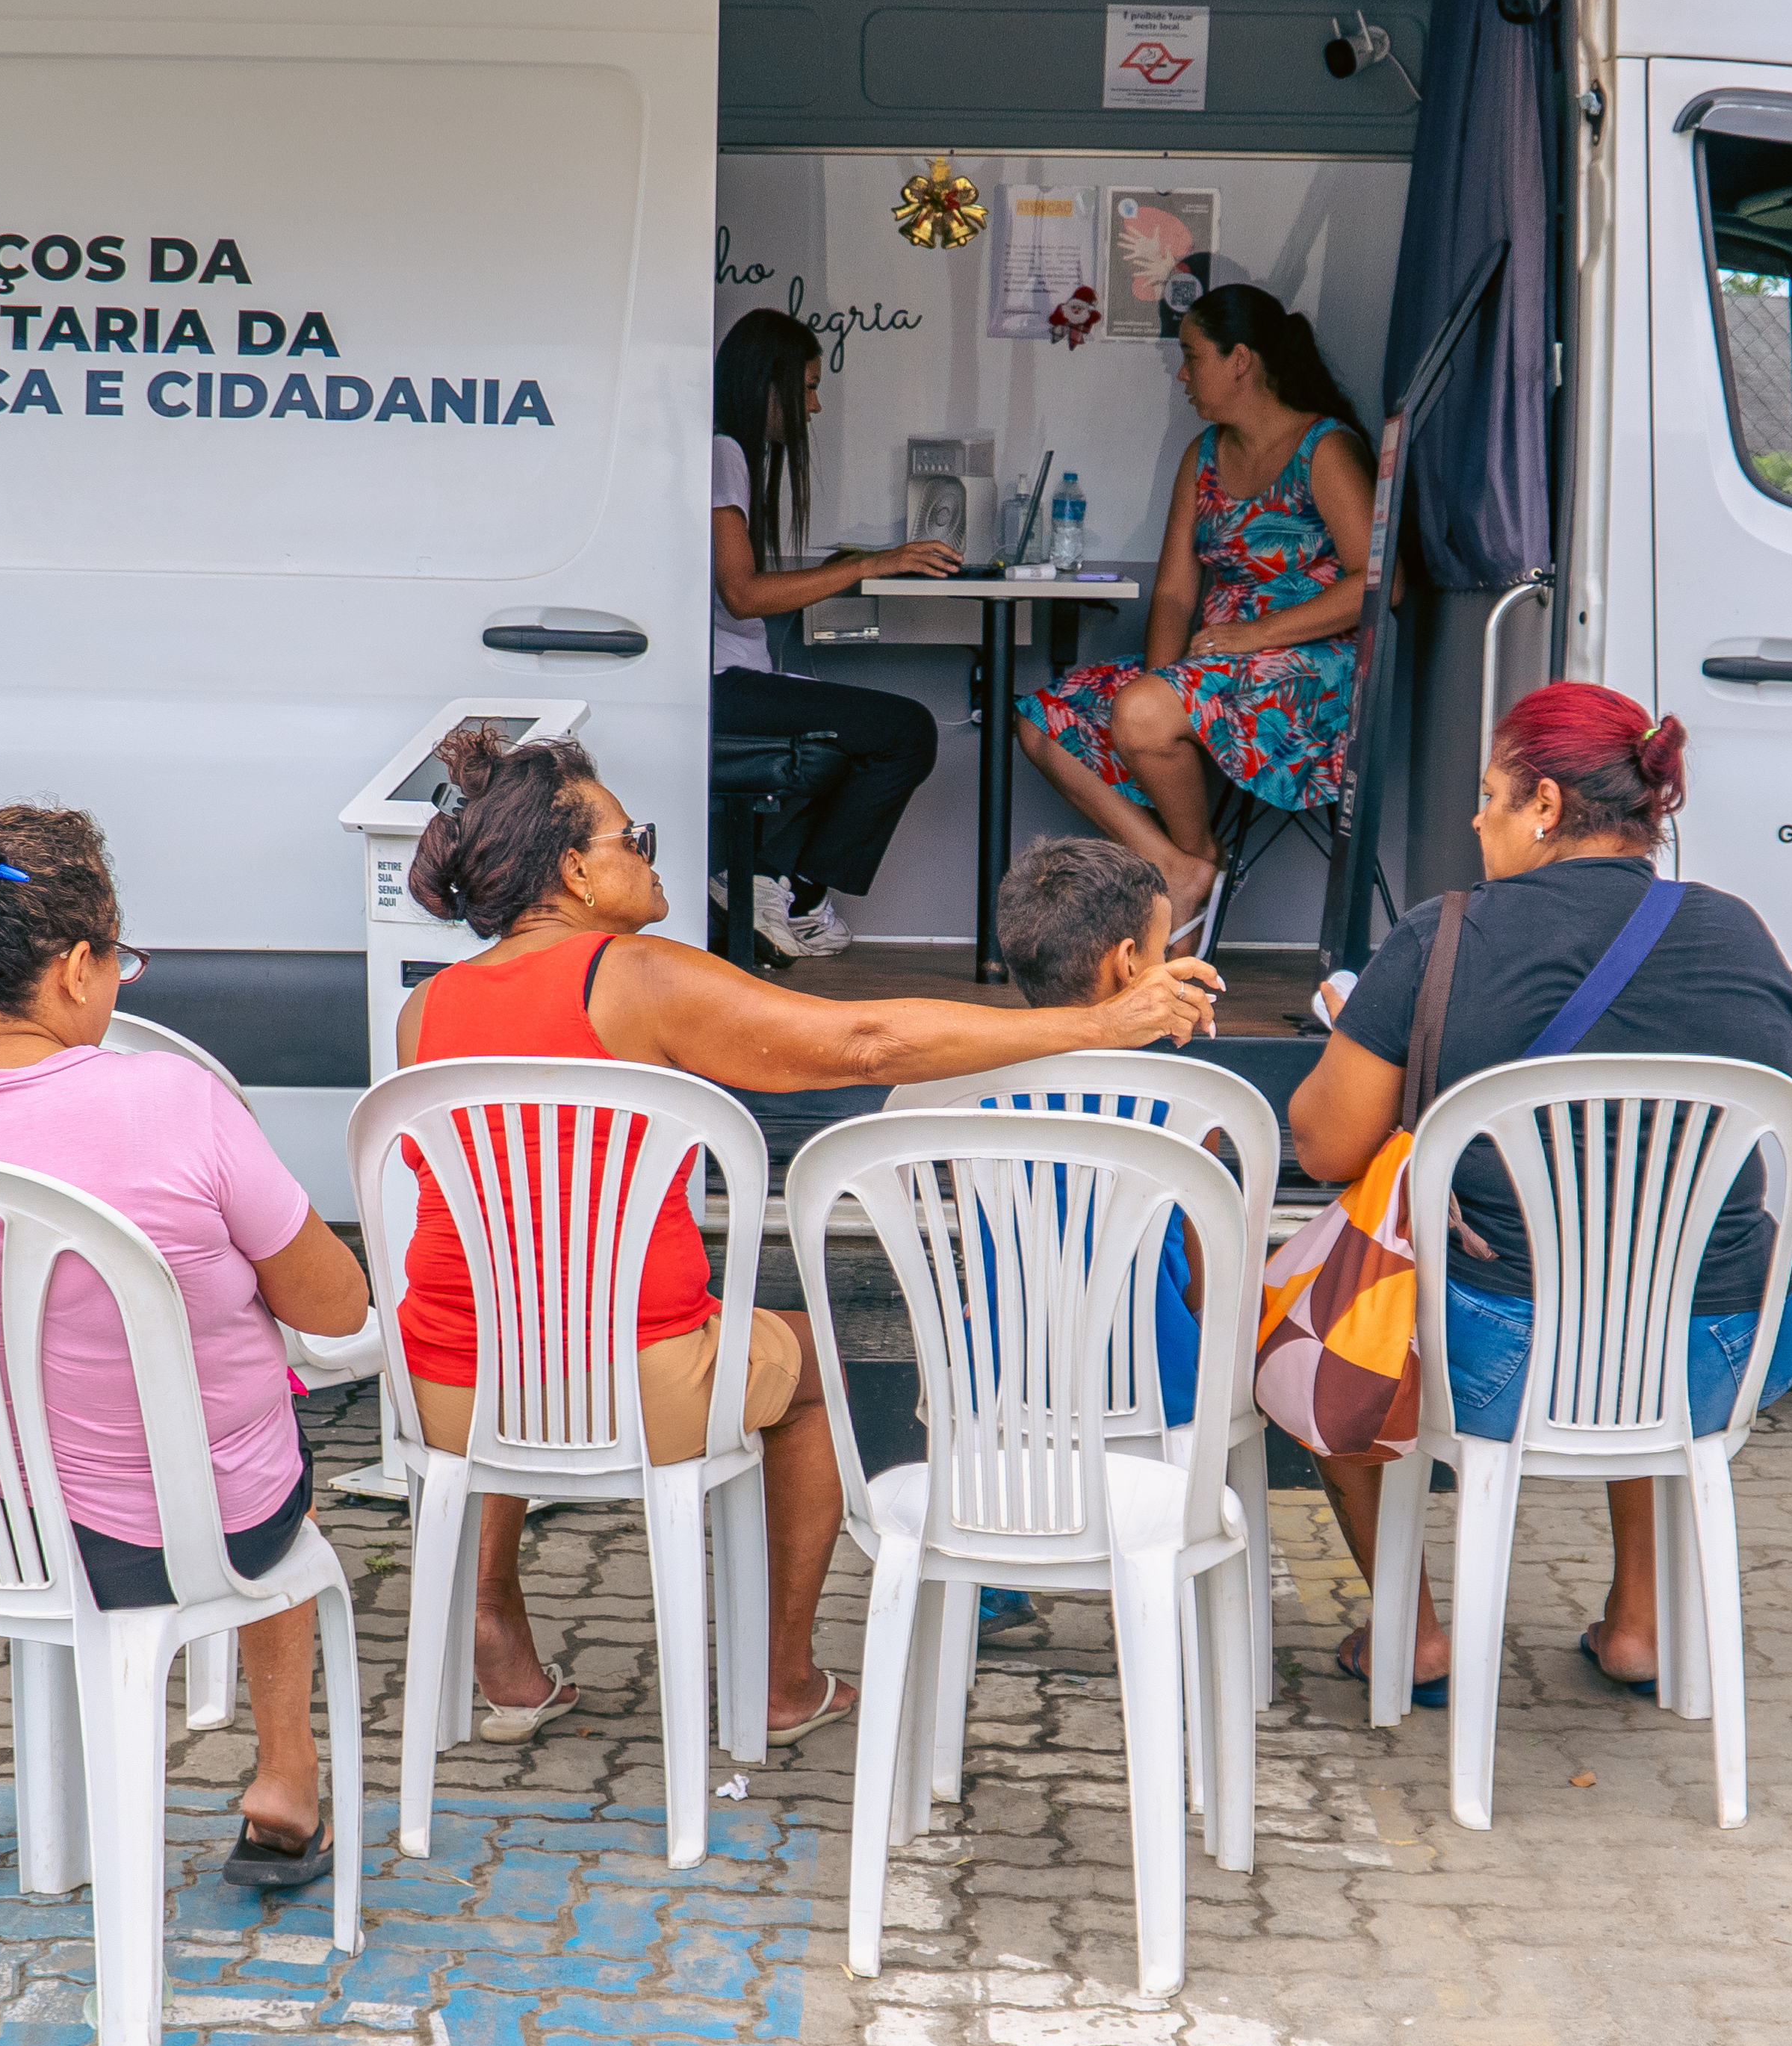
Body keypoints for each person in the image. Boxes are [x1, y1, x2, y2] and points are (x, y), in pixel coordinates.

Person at [388, 723, 1223, 1747]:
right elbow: (862, 1041)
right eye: (631, 839)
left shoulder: (425, 1011)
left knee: (526, 1298)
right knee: (819, 1364)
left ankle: (491, 1610)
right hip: (639, 1383)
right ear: (575, 871)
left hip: (450, 1388)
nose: (649, 855)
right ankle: (783, 1678)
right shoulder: (638, 975)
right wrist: (1094, 1026)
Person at [0, 805, 374, 1893]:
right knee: (270, 1449)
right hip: (164, 1539)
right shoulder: (174, 1101)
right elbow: (334, 1307)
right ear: (77, 966)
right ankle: (285, 1783)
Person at [1283, 683, 1792, 1703]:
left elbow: (1322, 1141)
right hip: (1724, 1352)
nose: (1475, 818)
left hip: (1504, 1358)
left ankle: (1420, 1635)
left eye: (1490, 794)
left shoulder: (1440, 939)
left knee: (1329, 1333)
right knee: (1640, 1270)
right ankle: (1638, 1628)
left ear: (1544, 805)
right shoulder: (1743, 934)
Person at [1017, 285, 1381, 945]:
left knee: (1144, 709)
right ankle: (1184, 862)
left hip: (1308, 677)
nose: (1182, 375)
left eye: (1191, 356)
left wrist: (1252, 635)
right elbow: (1175, 596)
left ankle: (1185, 886)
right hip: (1213, 668)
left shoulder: (1326, 449)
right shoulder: (1204, 454)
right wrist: (1155, 688)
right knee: (1043, 722)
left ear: (1241, 359)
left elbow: (1382, 584)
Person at [969, 834, 1211, 1651]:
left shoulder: (971, 1091)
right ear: (1126, 967)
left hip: (999, 1382)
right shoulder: (1178, 1102)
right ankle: (1162, 1569)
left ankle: (991, 1585)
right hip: (1159, 1388)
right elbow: (1205, 1271)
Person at [706, 308, 958, 960]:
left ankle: (779, 883)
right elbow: (741, 593)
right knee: (907, 733)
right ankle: (782, 884)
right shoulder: (723, 453)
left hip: (735, 677)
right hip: (718, 685)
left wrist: (835, 571)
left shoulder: (733, 454)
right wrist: (871, 565)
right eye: (808, 387)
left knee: (878, 738)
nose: (814, 406)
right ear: (769, 384)